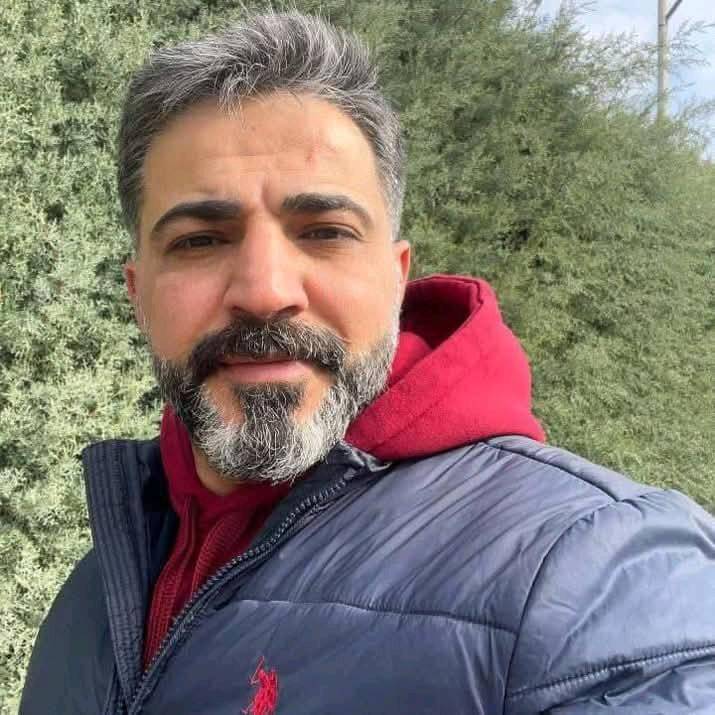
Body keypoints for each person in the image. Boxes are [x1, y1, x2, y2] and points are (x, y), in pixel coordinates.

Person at [20, 11, 715, 715]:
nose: (264, 291)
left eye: (324, 232)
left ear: (396, 277)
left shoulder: (591, 577)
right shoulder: (97, 594)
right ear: (138, 293)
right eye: (200, 240)